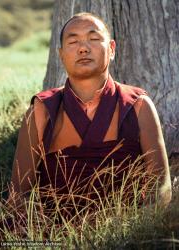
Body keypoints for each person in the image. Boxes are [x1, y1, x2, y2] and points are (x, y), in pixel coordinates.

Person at [9, 12, 171, 217]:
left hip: (124, 233)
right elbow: (17, 196)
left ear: (111, 49)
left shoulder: (137, 105)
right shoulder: (42, 111)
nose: (83, 48)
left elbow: (162, 186)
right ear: (60, 55)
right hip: (55, 234)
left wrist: (133, 230)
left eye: (94, 39)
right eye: (73, 41)